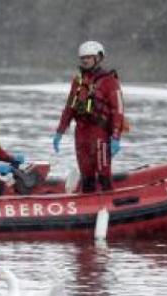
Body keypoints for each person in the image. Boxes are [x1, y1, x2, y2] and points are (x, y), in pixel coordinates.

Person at [54, 41, 126, 193]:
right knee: (86, 175)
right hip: (81, 133)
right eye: (83, 58)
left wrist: (116, 136)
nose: (85, 61)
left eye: (89, 57)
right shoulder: (78, 81)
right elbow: (69, 108)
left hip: (99, 133)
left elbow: (118, 110)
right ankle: (87, 205)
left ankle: (108, 203)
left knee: (103, 173)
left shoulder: (109, 81)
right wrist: (60, 131)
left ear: (98, 58)